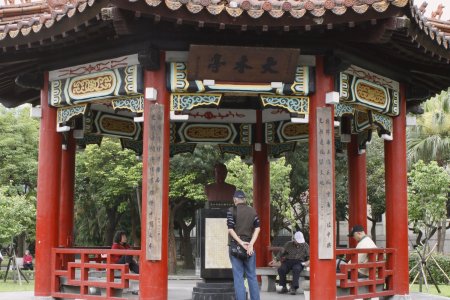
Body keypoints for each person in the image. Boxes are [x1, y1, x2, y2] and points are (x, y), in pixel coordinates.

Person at [227, 190, 260, 300]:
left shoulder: (231, 211)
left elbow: (230, 229)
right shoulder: (253, 211)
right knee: (252, 276)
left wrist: (240, 242)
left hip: (236, 247)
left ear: (235, 199)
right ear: (245, 200)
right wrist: (250, 244)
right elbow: (257, 228)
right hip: (249, 248)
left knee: (238, 277)